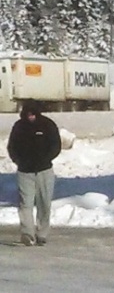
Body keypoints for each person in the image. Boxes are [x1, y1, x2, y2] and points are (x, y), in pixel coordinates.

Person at [6, 100, 62, 246]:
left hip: (44, 170)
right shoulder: (19, 127)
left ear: (38, 113)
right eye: (28, 114)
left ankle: (42, 233)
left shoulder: (47, 125)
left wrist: (46, 158)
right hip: (25, 171)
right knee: (26, 203)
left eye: (33, 114)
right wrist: (18, 161)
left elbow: (56, 145)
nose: (30, 116)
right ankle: (27, 233)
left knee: (44, 203)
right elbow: (12, 146)